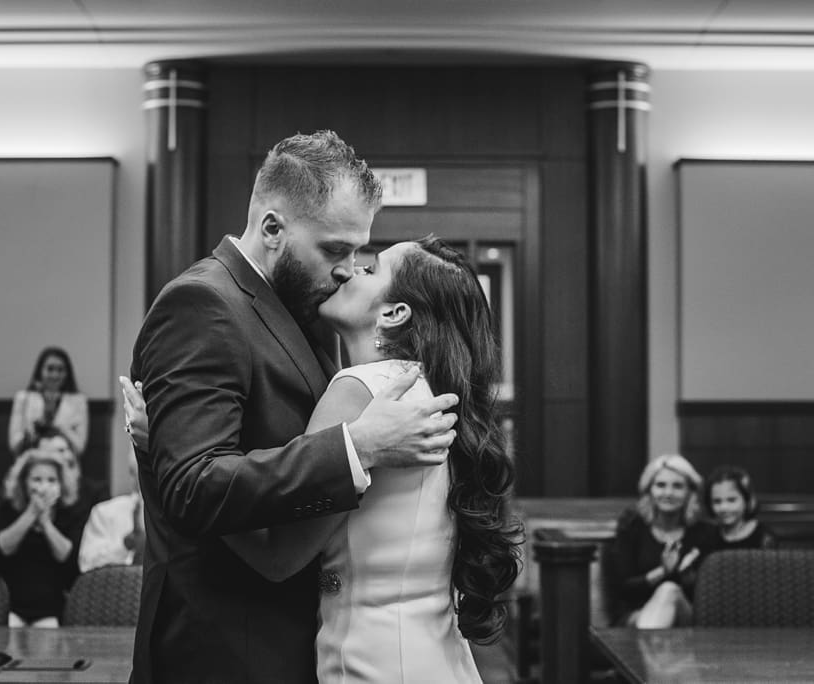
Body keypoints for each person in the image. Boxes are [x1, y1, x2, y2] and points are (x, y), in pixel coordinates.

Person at [125, 130, 460, 684]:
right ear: (273, 228)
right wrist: (359, 445)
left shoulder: (304, 311)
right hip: (225, 647)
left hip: (296, 636)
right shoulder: (204, 303)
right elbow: (191, 484)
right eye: (334, 249)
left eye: (358, 253)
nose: (349, 269)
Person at [126, 237, 522, 682]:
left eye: (371, 270)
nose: (351, 270)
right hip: (437, 655)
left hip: (370, 661)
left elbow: (277, 555)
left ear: (395, 313)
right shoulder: (432, 391)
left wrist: (165, 450)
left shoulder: (359, 389)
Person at [611, 454, 716, 629]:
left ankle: (648, 654)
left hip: (688, 620)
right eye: (660, 485)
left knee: (669, 590)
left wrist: (688, 578)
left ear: (690, 493)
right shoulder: (632, 527)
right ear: (649, 490)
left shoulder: (704, 532)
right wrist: (662, 571)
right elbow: (622, 588)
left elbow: (711, 598)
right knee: (666, 590)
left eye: (677, 486)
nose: (668, 493)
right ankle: (653, 651)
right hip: (637, 616)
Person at [0, 449, 88, 627]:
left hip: (51, 608)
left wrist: (45, 522)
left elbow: (65, 554)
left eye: (51, 480)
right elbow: (3, 546)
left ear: (61, 484)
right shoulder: (8, 510)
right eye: (37, 479)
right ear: (24, 482)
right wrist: (31, 513)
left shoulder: (70, 514)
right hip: (11, 606)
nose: (44, 486)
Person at [8, 346, 88, 456]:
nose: (55, 375)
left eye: (60, 370)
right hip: (31, 461)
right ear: (40, 371)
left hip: (64, 463)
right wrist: (38, 427)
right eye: (50, 369)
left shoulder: (78, 401)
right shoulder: (24, 398)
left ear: (67, 373)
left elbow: (79, 447)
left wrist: (59, 429)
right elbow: (14, 445)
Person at [78, 455, 144, 572]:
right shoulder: (105, 512)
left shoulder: (178, 517)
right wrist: (125, 544)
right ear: (133, 475)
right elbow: (86, 563)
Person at [704, 465, 777, 551]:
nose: (724, 507)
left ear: (747, 500)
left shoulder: (763, 537)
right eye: (717, 501)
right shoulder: (708, 536)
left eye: (731, 500)